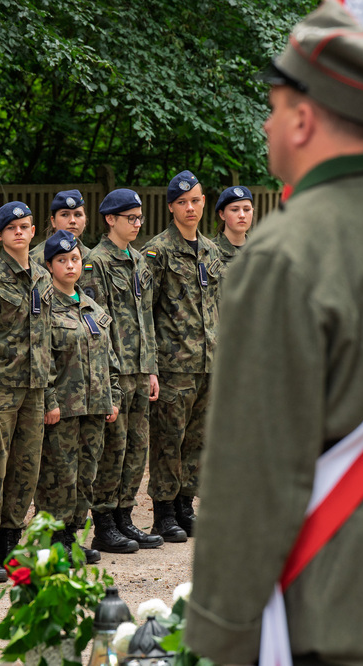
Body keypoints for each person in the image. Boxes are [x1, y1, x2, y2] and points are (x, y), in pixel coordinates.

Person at [185, 3, 363, 664]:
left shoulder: (281, 253)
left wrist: (219, 631)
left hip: (325, 594)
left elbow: (251, 470)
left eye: (272, 104)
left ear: (304, 117)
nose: (266, 122)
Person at [0, 201, 53, 582]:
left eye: (26, 226)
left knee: (25, 469)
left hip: (34, 388)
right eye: (11, 227)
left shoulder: (44, 277)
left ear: (34, 231)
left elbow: (47, 334)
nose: (20, 232)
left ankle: (11, 546)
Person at [78, 189, 163, 553]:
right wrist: (107, 374)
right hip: (114, 369)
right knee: (113, 448)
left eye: (140, 218)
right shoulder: (95, 263)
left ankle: (126, 516)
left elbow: (147, 316)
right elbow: (98, 323)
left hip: (140, 369)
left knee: (136, 447)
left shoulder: (140, 261)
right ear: (110, 219)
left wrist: (152, 368)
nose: (137, 224)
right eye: (131, 218)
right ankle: (105, 523)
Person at [141, 169, 223, 541]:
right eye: (182, 203)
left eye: (195, 201)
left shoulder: (210, 250)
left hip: (208, 361)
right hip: (173, 364)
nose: (190, 208)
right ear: (171, 207)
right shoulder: (157, 252)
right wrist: (150, 365)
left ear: (204, 202)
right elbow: (145, 309)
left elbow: (218, 306)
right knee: (168, 440)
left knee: (197, 439)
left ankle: (186, 506)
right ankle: (164, 512)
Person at [36, 230, 121, 560]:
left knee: (86, 476)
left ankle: (71, 536)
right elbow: (42, 358)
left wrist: (113, 397)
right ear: (49, 266)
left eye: (74, 259)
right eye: (62, 260)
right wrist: (49, 400)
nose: (70, 265)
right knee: (60, 476)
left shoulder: (92, 307)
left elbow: (110, 358)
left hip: (95, 407)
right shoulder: (45, 308)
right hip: (64, 410)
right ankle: (52, 539)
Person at [30, 189, 90, 263]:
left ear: (85, 220)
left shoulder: (92, 257)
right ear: (53, 221)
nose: (72, 221)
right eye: (64, 214)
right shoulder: (34, 259)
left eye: (78, 215)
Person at [212, 186, 253, 264]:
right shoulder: (209, 251)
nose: (242, 215)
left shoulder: (260, 251)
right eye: (234, 210)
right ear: (222, 214)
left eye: (247, 209)